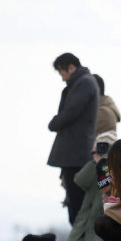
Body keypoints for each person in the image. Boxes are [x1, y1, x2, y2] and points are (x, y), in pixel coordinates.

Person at [47, 53, 99, 225]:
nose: (62, 78)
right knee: (75, 200)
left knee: (76, 202)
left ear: (70, 67)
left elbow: (71, 111)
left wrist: (54, 123)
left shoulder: (84, 82)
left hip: (76, 153)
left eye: (62, 73)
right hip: (76, 151)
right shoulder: (84, 82)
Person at [63, 131, 116, 241]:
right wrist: (95, 161)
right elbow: (79, 180)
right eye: (99, 146)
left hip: (103, 220)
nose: (102, 150)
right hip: (86, 221)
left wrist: (106, 163)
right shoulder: (94, 166)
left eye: (105, 147)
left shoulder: (115, 167)